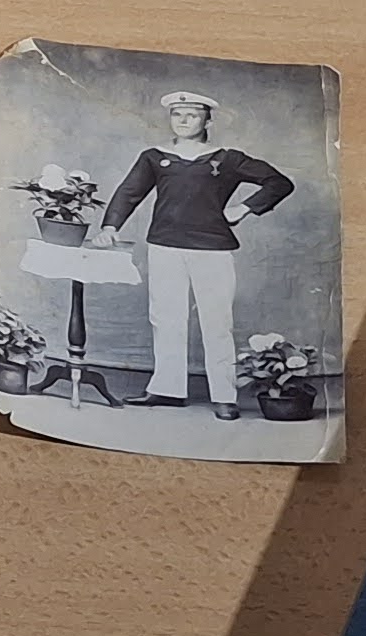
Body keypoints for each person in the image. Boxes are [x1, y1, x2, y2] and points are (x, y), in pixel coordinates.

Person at [92, 91, 294, 420]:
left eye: (192, 114)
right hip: (165, 246)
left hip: (212, 249)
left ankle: (224, 396)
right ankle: (168, 389)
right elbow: (129, 192)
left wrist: (244, 208)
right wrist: (110, 227)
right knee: (165, 318)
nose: (183, 120)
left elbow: (279, 182)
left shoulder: (228, 159)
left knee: (217, 322)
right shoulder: (154, 157)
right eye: (177, 114)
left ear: (207, 121)